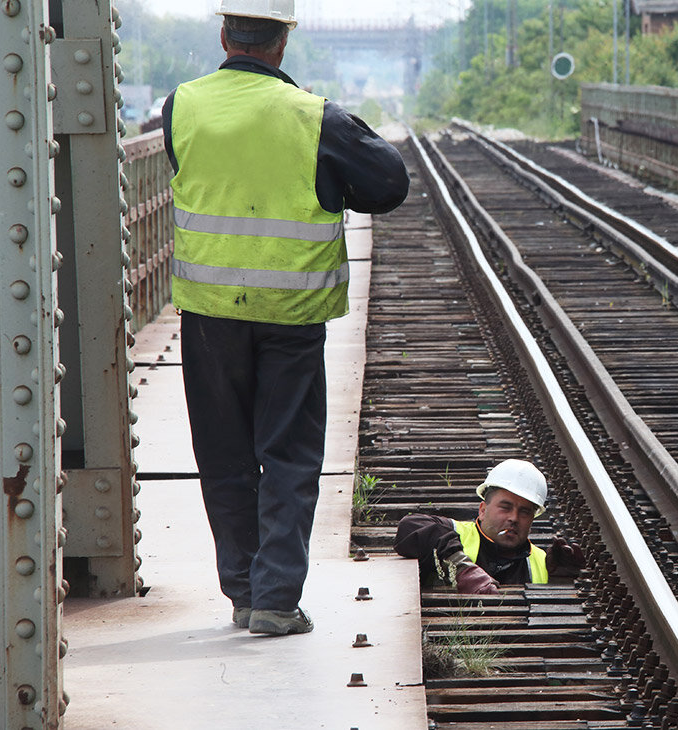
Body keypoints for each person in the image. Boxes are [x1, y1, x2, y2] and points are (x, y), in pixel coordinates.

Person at [163, 0, 410, 635]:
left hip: (210, 313)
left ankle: (243, 593)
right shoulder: (314, 117)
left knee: (223, 455)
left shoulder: (180, 106)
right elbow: (388, 184)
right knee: (291, 455)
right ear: (282, 43)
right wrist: (332, 188)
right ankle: (275, 601)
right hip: (292, 317)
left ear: (225, 34)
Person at [394, 459, 585, 594]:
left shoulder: (543, 563)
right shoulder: (457, 534)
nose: (514, 518)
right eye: (505, 507)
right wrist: (462, 567)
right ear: (483, 510)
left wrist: (559, 584)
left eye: (525, 512)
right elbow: (408, 527)